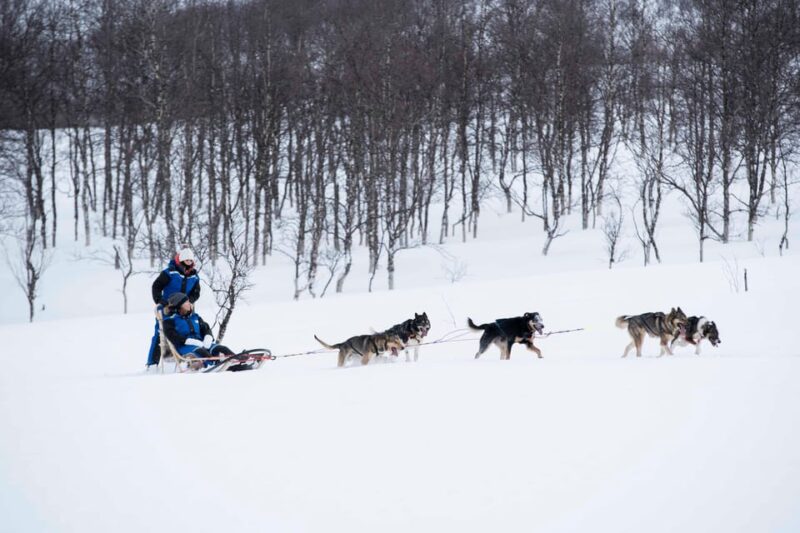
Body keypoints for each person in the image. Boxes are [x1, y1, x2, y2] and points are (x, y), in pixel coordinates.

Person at [146, 247, 201, 368]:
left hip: (184, 309)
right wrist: (160, 301)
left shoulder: (194, 276)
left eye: (191, 260)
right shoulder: (170, 273)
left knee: (188, 332)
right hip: (167, 308)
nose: (189, 262)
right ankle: (152, 364)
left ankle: (190, 359)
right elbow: (156, 286)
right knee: (160, 335)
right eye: (186, 260)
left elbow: (196, 292)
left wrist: (190, 301)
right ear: (181, 260)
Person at [161, 292, 235, 370]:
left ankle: (238, 360)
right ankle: (211, 366)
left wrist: (208, 336)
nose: (189, 304)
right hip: (185, 347)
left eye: (189, 301)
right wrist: (188, 341)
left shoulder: (195, 317)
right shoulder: (169, 321)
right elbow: (172, 336)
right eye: (186, 302)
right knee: (202, 353)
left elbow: (205, 328)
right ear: (179, 305)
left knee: (222, 349)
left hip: (202, 343)